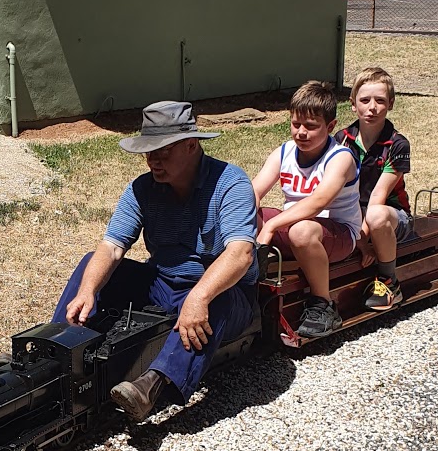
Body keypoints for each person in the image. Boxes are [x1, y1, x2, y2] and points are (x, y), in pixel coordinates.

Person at [54, 100, 258, 423]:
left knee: (215, 297)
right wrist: (87, 290)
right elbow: (111, 247)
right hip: (163, 284)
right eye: (149, 152)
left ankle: (151, 385)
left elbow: (240, 254)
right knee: (90, 264)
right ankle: (60, 349)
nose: (153, 161)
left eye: (162, 151)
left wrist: (200, 296)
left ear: (192, 145)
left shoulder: (230, 184)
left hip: (224, 295)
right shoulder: (141, 189)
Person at [253, 79, 361, 339]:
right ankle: (245, 276)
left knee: (301, 231)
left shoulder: (341, 158)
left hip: (338, 235)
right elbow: (254, 191)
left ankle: (322, 304)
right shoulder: (284, 152)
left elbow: (318, 203)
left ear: (331, 126)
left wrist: (271, 225)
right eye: (295, 124)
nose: (301, 132)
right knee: (246, 211)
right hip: (293, 229)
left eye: (311, 127)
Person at [335, 65, 413, 312]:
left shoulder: (398, 144)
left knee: (377, 215)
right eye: (365, 100)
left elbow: (378, 199)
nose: (372, 107)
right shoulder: (341, 139)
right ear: (352, 103)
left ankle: (390, 280)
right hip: (352, 215)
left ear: (390, 104)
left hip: (391, 218)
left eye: (380, 100)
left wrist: (360, 237)